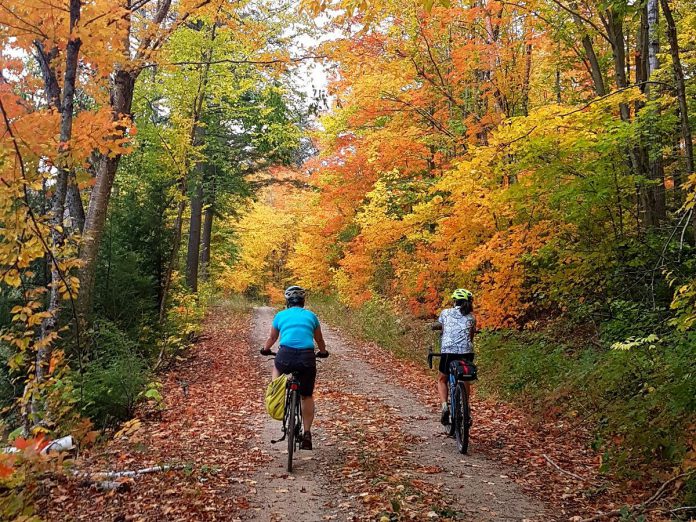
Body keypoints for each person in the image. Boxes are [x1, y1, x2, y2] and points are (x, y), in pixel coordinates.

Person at [261, 285, 328, 450]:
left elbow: (272, 337)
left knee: (276, 367)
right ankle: (307, 433)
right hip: (307, 357)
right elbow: (319, 339)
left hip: (286, 356)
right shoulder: (312, 316)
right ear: (303, 301)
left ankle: (277, 390)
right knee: (306, 396)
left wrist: (265, 349)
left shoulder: (280, 315)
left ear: (287, 301)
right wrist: (323, 351)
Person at [432, 288, 476, 425]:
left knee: (442, 379)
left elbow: (444, 332)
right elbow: (471, 337)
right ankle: (466, 409)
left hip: (448, 351)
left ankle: (445, 406)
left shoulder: (445, 313)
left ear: (454, 301)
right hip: (466, 352)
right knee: (464, 378)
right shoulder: (472, 317)